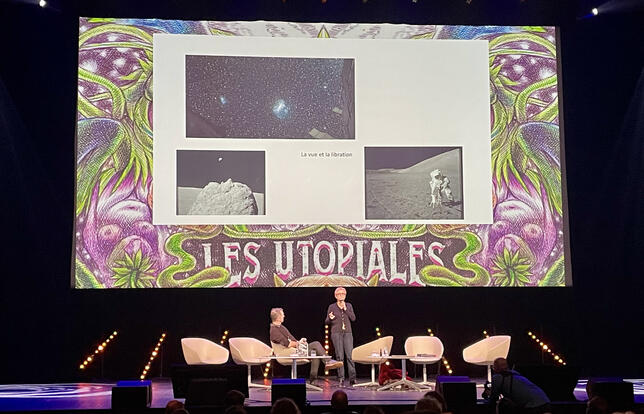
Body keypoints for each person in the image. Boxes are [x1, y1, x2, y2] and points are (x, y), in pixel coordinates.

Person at [269, 307, 343, 383]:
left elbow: (293, 340)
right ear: (278, 317)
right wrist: (298, 344)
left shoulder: (282, 327)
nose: (284, 316)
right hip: (285, 353)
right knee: (315, 349)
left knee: (315, 347)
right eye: (282, 315)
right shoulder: (274, 330)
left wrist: (300, 342)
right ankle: (324, 366)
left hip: (292, 350)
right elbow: (289, 344)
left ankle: (316, 376)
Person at [487, 358, 552, 414]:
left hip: (532, 406)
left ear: (496, 368)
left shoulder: (497, 377)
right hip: (545, 402)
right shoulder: (515, 374)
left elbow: (493, 397)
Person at [325, 287, 356, 385]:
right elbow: (326, 321)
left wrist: (345, 309)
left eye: (343, 293)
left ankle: (352, 378)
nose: (341, 295)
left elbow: (353, 318)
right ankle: (341, 377)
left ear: (345, 295)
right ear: (335, 296)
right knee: (339, 356)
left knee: (350, 356)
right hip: (336, 333)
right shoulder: (331, 307)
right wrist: (330, 318)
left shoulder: (349, 305)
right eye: (339, 294)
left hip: (347, 333)